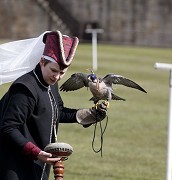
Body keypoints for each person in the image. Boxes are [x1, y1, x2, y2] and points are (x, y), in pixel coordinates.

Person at [0, 30, 108, 180]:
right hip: (14, 167)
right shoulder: (25, 88)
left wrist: (87, 115)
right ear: (42, 62)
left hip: (37, 163)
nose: (57, 77)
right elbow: (8, 127)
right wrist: (36, 152)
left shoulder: (51, 83)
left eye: (62, 72)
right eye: (54, 70)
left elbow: (57, 111)